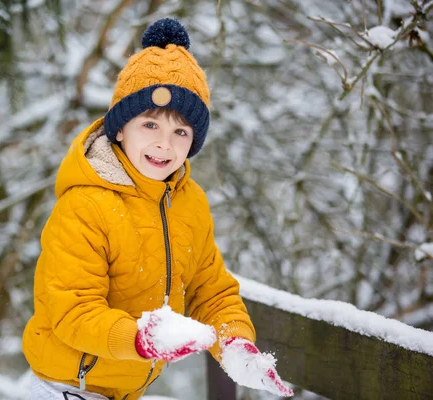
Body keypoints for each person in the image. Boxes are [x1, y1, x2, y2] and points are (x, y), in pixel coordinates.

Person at [22, 18, 293, 400]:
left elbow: (209, 290)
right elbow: (74, 311)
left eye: (180, 132)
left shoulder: (189, 202)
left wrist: (235, 346)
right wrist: (141, 339)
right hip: (66, 387)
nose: (164, 144)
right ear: (119, 129)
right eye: (150, 125)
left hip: (127, 390)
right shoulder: (85, 205)